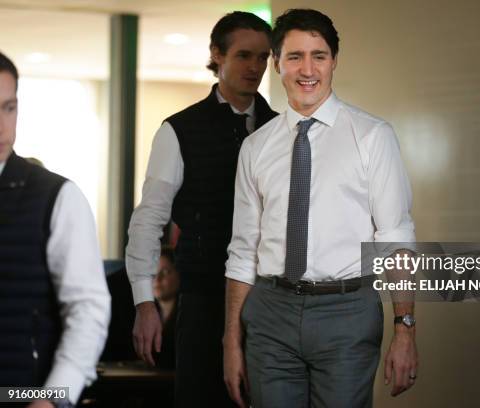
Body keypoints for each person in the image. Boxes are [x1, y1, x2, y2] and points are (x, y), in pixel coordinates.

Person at [223, 9, 418, 408]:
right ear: (277, 63)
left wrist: (405, 329)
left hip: (346, 312)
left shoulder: (372, 137)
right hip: (270, 313)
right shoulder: (256, 148)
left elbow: (395, 239)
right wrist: (231, 339)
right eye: (294, 56)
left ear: (334, 62)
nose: (307, 69)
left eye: (319, 56)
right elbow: (243, 250)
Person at [125, 11, 277, 407]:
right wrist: (145, 303)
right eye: (245, 55)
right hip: (203, 300)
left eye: (264, 57)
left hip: (271, 303)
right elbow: (148, 219)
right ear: (217, 55)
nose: (256, 67)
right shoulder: (179, 130)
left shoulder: (283, 128)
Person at [0, 51, 111, 408]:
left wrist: (52, 397)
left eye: (8, 108)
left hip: (25, 394)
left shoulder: (57, 196)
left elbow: (87, 308)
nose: (3, 125)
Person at [153, 246, 179, 369]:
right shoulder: (144, 314)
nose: (157, 279)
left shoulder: (190, 318)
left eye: (165, 272)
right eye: (153, 273)